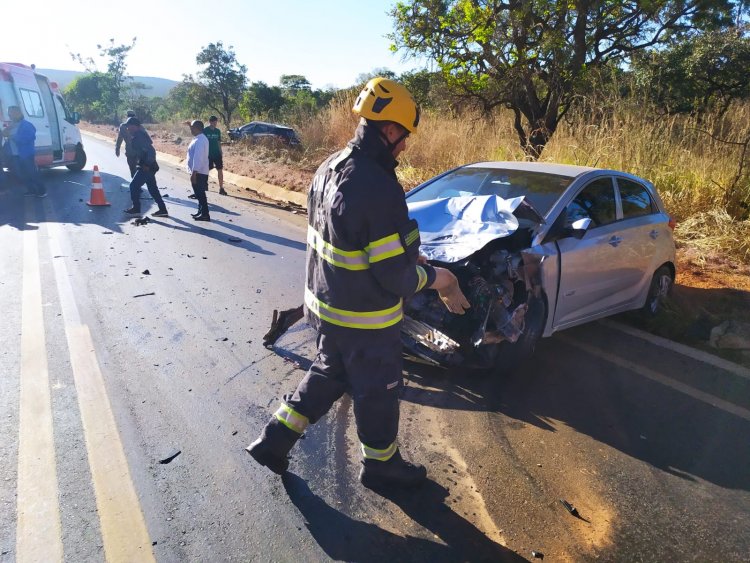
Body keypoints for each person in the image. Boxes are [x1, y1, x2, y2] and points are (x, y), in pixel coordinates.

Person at [246, 77, 470, 490]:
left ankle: (273, 440)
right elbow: (397, 278)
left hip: (327, 309)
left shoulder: (330, 165)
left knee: (329, 373)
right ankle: (382, 466)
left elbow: (348, 241)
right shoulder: (377, 186)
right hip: (363, 321)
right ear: (389, 131)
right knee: (379, 390)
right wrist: (443, 279)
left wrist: (399, 256)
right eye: (404, 137)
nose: (406, 146)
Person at [123, 117, 168, 217]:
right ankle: (163, 209)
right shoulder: (138, 135)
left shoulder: (140, 136)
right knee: (152, 189)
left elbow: (151, 151)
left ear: (135, 126)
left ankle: (136, 208)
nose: (127, 129)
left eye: (129, 126)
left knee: (133, 186)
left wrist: (147, 164)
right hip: (148, 166)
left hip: (147, 167)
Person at [3, 106, 46, 197]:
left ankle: (42, 191)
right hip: (15, 155)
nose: (9, 115)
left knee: (32, 173)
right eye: (9, 113)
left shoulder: (26, 125)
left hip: (26, 154)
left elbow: (27, 139)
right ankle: (31, 190)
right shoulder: (12, 125)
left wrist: (12, 137)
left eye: (11, 112)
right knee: (21, 174)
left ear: (17, 113)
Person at [186, 120, 211, 221]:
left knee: (200, 194)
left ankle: (205, 214)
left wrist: (194, 173)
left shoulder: (200, 140)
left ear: (196, 128)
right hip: (198, 172)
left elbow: (198, 157)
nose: (190, 129)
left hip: (199, 172)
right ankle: (201, 211)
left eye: (192, 127)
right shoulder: (199, 138)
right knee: (198, 194)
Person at [204, 115, 227, 195]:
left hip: (217, 154)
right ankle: (204, 183)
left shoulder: (218, 131)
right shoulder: (205, 130)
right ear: (210, 122)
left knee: (220, 170)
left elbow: (218, 142)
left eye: (216, 122)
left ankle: (221, 188)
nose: (215, 123)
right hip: (208, 154)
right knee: (207, 169)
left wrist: (221, 152)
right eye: (214, 122)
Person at [116, 110, 138, 177]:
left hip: (129, 151)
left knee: (132, 169)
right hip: (139, 151)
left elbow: (120, 138)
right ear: (134, 116)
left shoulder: (123, 126)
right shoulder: (138, 126)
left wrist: (117, 148)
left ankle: (135, 184)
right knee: (138, 168)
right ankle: (137, 184)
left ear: (127, 116)